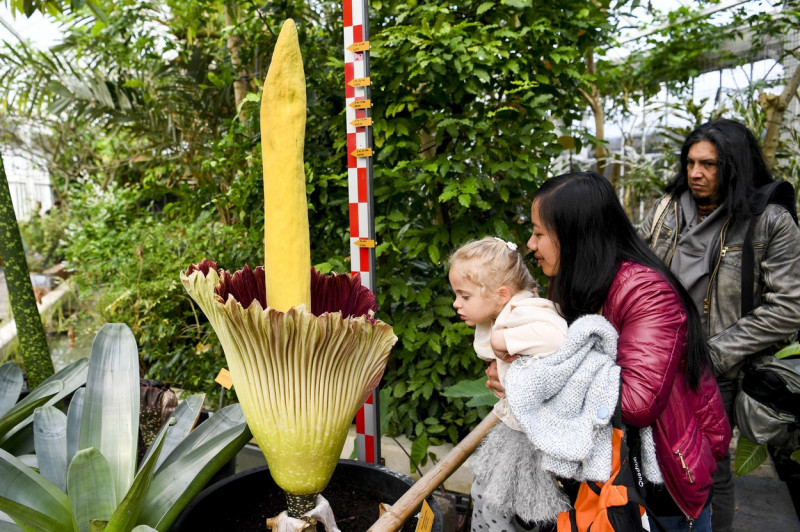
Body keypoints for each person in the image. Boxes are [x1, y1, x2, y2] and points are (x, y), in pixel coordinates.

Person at [485, 171, 731, 532]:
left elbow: (634, 403)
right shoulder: (576, 281)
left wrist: (528, 383)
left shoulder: (647, 292)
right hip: (605, 481)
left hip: (659, 486)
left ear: (575, 234)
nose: (530, 244)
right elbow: (564, 361)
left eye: (539, 233)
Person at [639, 118, 800, 532]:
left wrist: (714, 352)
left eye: (709, 164)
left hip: (716, 369)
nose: (696, 173)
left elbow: (790, 305)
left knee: (709, 468)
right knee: (652, 461)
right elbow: (637, 270)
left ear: (734, 165)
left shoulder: (769, 221)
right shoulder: (667, 209)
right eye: (691, 163)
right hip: (657, 361)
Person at [448, 236, 568, 430]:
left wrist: (501, 339)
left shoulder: (525, 312)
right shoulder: (500, 315)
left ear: (501, 295)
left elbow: (559, 338)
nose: (456, 303)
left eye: (465, 296)